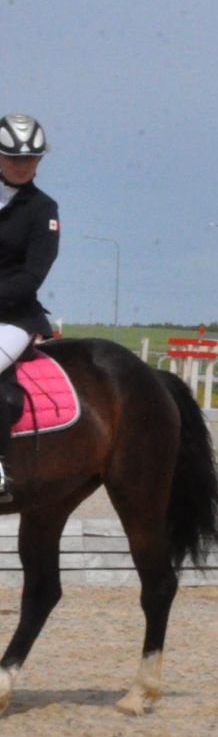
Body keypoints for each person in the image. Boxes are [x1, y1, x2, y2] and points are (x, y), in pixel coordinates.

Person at [0, 113, 59, 504]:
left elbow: (33, 274)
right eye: (13, 157)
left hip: (14, 316)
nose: (23, 165)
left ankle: (0, 469)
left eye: (31, 158)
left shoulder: (44, 209)